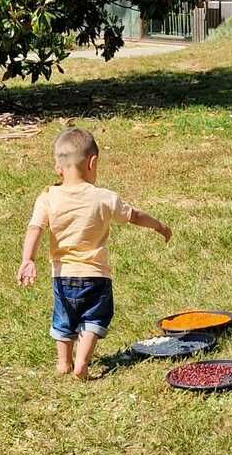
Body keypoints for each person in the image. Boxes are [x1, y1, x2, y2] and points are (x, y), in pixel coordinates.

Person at [17, 128, 171, 379]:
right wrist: (160, 226)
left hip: (62, 276)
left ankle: (63, 362)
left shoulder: (48, 197)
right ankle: (82, 363)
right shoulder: (104, 198)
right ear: (93, 162)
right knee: (94, 319)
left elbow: (35, 228)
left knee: (64, 318)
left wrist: (28, 259)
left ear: (58, 168)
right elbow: (135, 216)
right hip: (97, 276)